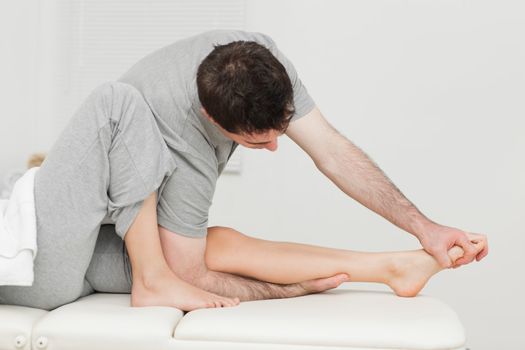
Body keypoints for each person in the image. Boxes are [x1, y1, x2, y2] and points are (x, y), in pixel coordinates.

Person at [0, 30, 487, 311]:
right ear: (213, 120)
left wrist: (426, 229)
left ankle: (390, 267)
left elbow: (331, 151)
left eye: (279, 131)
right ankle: (151, 279)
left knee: (221, 241)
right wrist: (289, 291)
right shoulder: (179, 125)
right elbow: (189, 275)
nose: (276, 147)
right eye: (258, 141)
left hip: (88, 257)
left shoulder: (257, 58)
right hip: (40, 263)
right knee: (116, 100)